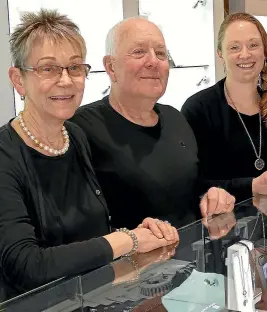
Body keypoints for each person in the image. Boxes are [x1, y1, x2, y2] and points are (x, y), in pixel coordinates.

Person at [0, 9, 178, 295]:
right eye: (48, 68)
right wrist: (129, 240)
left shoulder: (75, 136)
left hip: (93, 297)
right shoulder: (5, 155)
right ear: (18, 79)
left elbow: (90, 234)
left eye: (74, 67)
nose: (66, 80)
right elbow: (25, 265)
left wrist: (139, 230)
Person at [70, 18, 235, 231]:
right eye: (139, 52)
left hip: (189, 259)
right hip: (128, 262)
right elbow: (74, 224)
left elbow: (191, 187)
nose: (153, 62)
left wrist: (213, 195)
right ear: (111, 67)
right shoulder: (81, 128)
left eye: (161, 53)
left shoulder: (175, 118)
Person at [181, 13, 267, 202]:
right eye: (234, 47)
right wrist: (252, 186)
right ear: (220, 54)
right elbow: (190, 183)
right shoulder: (198, 109)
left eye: (253, 45)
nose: (245, 54)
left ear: (265, 51)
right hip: (219, 227)